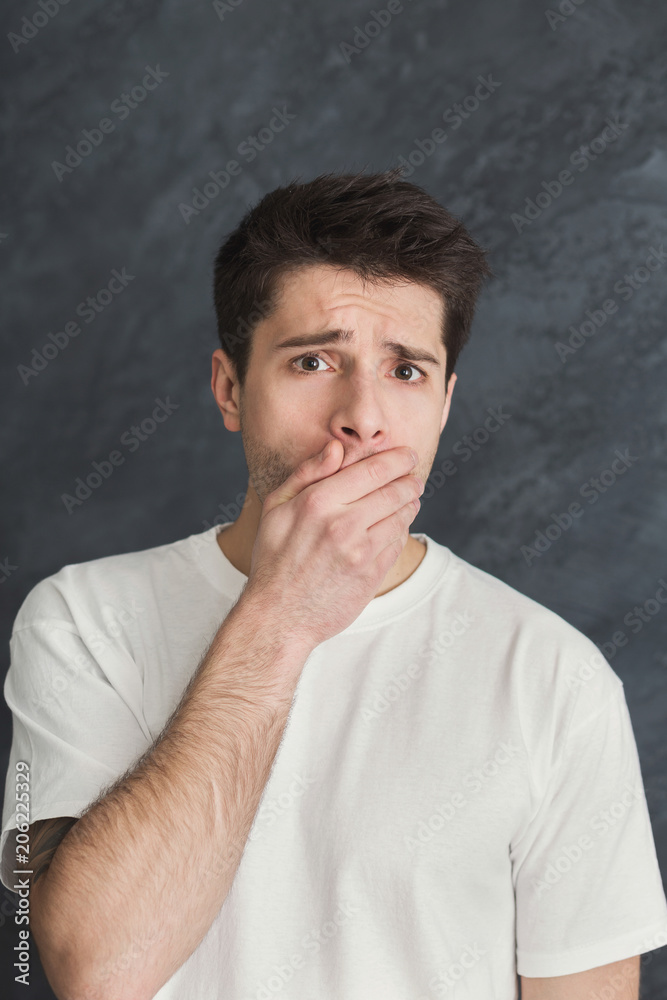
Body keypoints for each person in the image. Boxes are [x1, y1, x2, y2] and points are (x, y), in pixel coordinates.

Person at [2, 169, 666, 1000]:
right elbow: (94, 971)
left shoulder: (554, 679)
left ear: (447, 403)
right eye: (314, 360)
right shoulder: (78, 623)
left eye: (407, 371)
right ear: (230, 389)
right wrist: (281, 617)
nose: (362, 415)